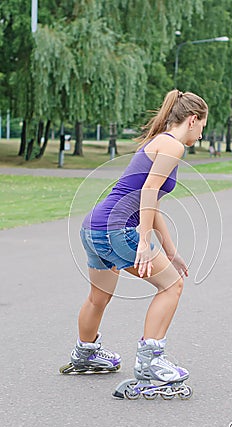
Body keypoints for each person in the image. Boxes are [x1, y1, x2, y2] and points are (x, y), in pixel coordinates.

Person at [61, 90, 208, 394]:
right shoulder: (172, 145)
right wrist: (142, 241)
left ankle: (85, 354)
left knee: (98, 297)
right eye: (203, 126)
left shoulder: (157, 142)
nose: (202, 133)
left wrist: (170, 251)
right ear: (192, 120)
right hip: (117, 230)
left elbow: (150, 203)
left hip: (94, 227)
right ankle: (150, 362)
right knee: (171, 285)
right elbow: (149, 192)